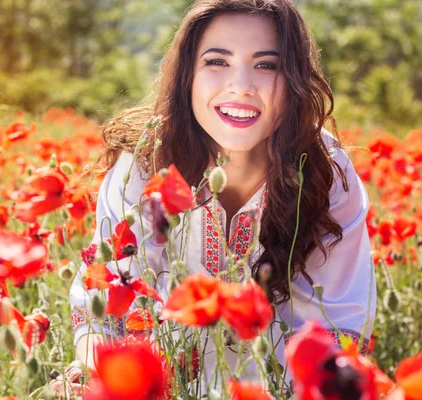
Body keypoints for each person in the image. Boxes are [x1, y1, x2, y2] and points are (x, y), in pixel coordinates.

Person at [61, 0, 376, 397]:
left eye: (267, 65)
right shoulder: (142, 165)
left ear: (294, 79)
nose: (241, 85)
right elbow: (104, 304)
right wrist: (98, 375)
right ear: (187, 75)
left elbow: (337, 329)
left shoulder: (325, 173)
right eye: (217, 61)